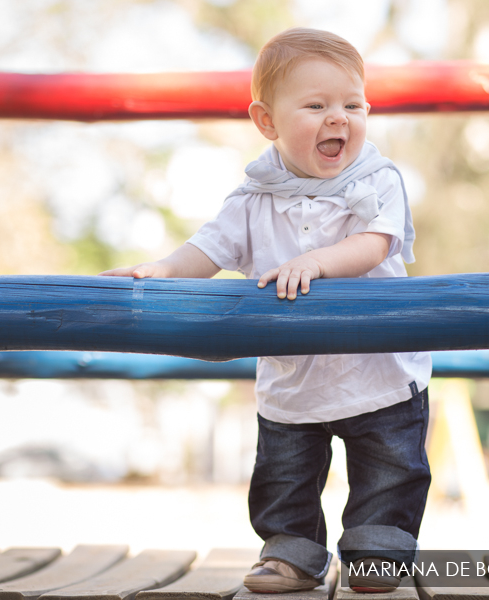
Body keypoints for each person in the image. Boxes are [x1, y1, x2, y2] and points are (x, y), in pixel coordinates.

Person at [100, 27, 432, 594]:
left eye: (354, 105)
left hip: (378, 369)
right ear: (267, 122)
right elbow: (209, 249)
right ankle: (292, 552)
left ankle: (377, 551)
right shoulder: (253, 199)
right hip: (291, 374)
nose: (339, 119)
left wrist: (319, 261)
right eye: (316, 105)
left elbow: (376, 242)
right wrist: (166, 270)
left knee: (390, 469)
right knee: (284, 474)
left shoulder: (376, 179)